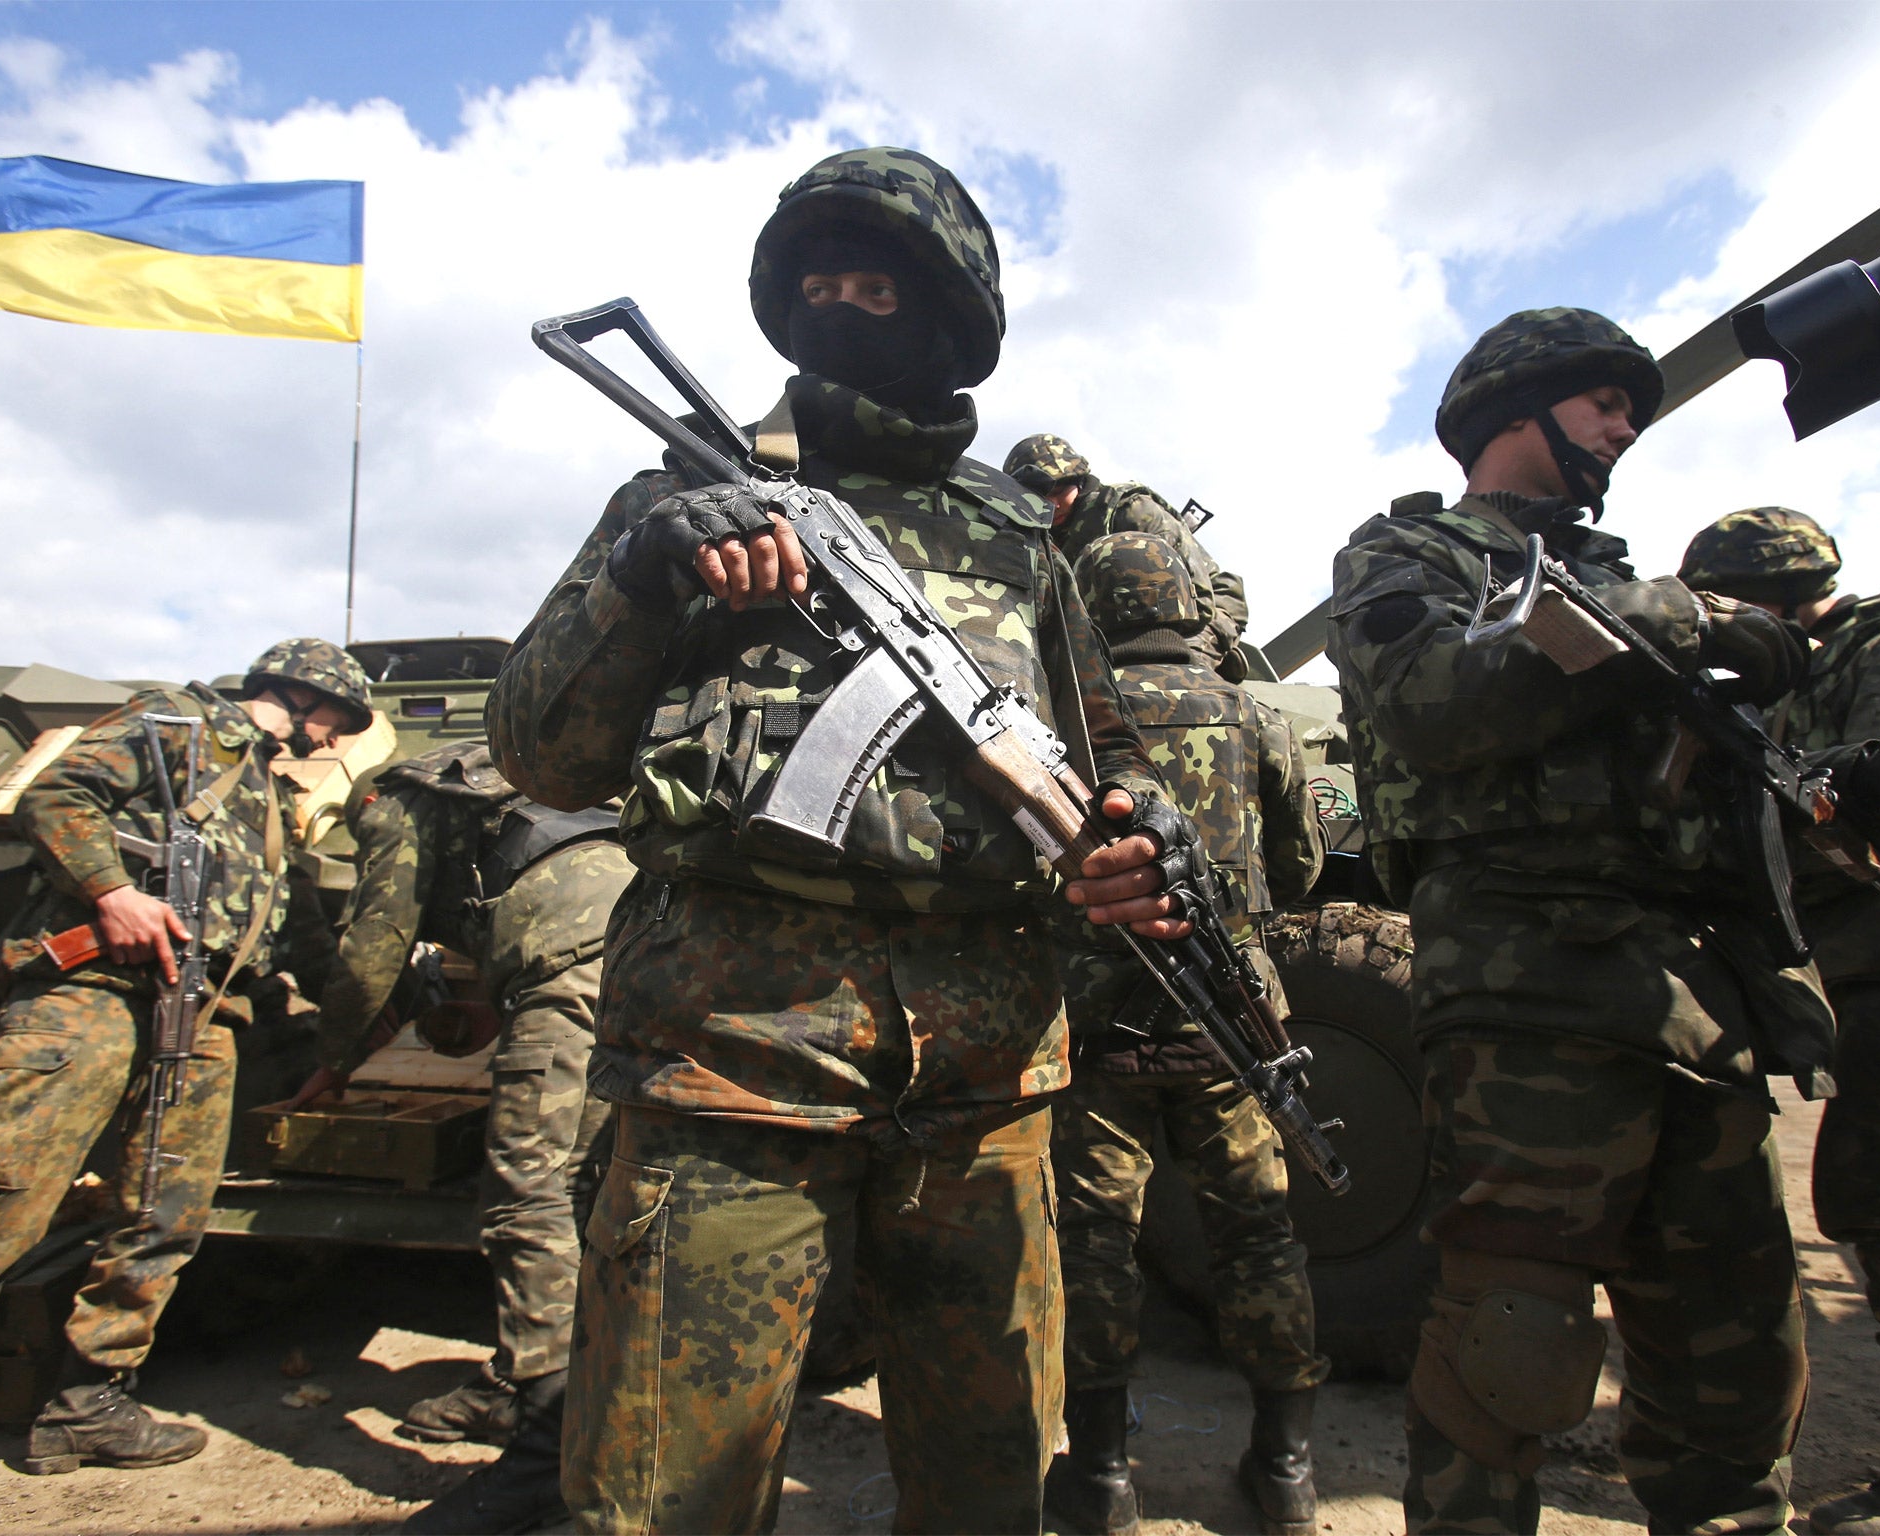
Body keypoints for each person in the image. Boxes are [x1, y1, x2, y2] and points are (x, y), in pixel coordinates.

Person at [486, 145, 1186, 1534]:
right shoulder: (681, 500)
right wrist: (645, 573)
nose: (843, 305)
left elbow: (1111, 763)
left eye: (878, 283)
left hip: (988, 1089)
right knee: (664, 1497)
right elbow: (539, 752)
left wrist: (1139, 836)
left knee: (991, 1485)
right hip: (732, 1068)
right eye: (820, 282)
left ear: (947, 316)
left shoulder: (1016, 539)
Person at [1327, 308, 1838, 1533]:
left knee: (1735, 1361)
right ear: (1518, 407)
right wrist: (1670, 626)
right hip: (1529, 998)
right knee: (1511, 1354)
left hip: (1690, 1002)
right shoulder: (1411, 554)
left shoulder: (1616, 580)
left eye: (1628, 410)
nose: (1621, 429)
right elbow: (1433, 705)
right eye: (1603, 404)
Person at [0, 639, 366, 1471]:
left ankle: (88, 1403)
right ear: (307, 698)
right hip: (93, 998)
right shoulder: (177, 724)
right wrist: (111, 891)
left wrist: (375, 1015)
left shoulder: (271, 804)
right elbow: (59, 793)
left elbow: (303, 935)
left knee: (164, 1213)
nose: (334, 743)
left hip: (203, 1021)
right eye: (339, 723)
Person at [1681, 507, 1880, 1536]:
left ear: (1767, 595)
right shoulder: (1808, 677)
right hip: (1877, 970)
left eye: (1723, 610)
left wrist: (1790, 807)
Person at [1046, 531, 1327, 1536]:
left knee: (1091, 1245)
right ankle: (1286, 1469)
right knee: (1256, 1235)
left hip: (1095, 1031)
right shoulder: (1251, 711)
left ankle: (1104, 1479)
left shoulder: (1065, 722)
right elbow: (1297, 870)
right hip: (1231, 1028)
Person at [281, 739, 632, 1533]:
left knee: (531, 1196)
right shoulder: (520, 783)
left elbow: (374, 947)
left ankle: (547, 1456)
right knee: (600, 1187)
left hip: (572, 969)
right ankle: (529, 1385)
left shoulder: (397, 801)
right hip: (653, 955)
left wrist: (335, 1059)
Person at [1004, 432, 1251, 678]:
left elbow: (1201, 602)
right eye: (1041, 497)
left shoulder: (1130, 511)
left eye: (1060, 491)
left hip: (1202, 612)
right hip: (1120, 623)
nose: (1053, 503)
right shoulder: (1035, 539)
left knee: (1171, 676)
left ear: (1078, 480)